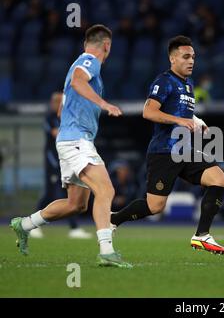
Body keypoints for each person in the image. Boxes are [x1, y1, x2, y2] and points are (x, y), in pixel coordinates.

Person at [10, 24, 132, 268]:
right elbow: (78, 81)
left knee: (76, 204)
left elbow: (63, 102)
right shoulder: (89, 61)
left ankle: (24, 225)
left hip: (70, 139)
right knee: (106, 190)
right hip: (77, 140)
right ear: (106, 45)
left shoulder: (78, 61)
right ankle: (107, 252)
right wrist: (104, 104)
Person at [110, 35, 224, 255]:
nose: (191, 60)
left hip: (184, 149)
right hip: (164, 151)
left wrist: (197, 122)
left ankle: (201, 236)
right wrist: (179, 121)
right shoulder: (163, 81)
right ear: (172, 59)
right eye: (186, 56)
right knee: (155, 207)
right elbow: (148, 112)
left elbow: (183, 114)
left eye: (193, 56)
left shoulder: (189, 84)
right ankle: (112, 219)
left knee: (219, 180)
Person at [30, 91, 92, 239]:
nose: (57, 104)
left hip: (66, 160)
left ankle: (73, 228)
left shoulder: (67, 117)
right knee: (50, 194)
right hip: (53, 161)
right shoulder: (50, 117)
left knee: (70, 196)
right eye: (55, 101)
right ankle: (32, 224)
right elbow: (56, 133)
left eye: (60, 101)